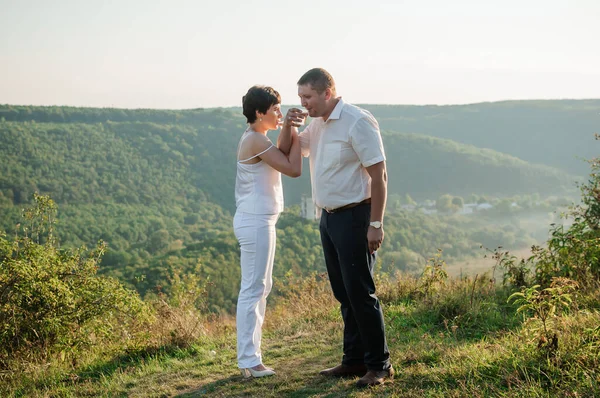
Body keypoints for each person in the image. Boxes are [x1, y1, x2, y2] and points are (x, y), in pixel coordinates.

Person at [279, 68, 393, 387]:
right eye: (300, 97)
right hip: (328, 218)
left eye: (308, 97)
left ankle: (380, 365)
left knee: (361, 292)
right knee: (343, 292)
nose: (303, 102)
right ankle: (353, 360)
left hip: (357, 217)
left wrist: (375, 224)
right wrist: (289, 124)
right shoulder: (317, 124)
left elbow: (379, 177)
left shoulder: (357, 121)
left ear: (327, 93)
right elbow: (292, 149)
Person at [234, 85, 304, 378]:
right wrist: (299, 133)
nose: (279, 112)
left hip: (261, 221)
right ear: (259, 113)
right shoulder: (254, 141)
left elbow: (282, 149)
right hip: (255, 222)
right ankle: (249, 361)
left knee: (261, 287)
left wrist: (287, 125)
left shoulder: (258, 138)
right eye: (275, 109)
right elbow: (292, 166)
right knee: (253, 289)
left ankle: (251, 357)